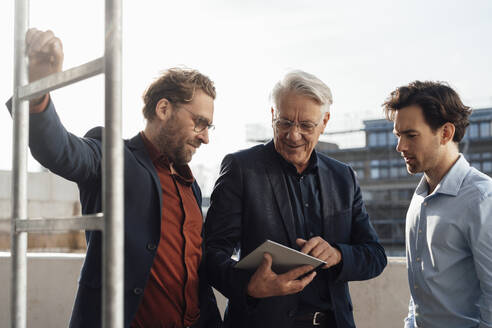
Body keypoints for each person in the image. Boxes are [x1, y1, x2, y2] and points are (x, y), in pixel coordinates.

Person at [7, 28, 222, 328]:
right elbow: (59, 150)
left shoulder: (192, 188)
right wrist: (38, 88)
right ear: (163, 108)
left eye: (210, 127)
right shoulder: (114, 157)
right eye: (199, 123)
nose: (205, 138)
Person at [204, 70, 387, 328]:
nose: (293, 135)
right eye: (285, 122)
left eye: (306, 126)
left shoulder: (343, 176)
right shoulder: (241, 168)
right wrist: (249, 286)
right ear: (272, 116)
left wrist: (338, 254)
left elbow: (375, 256)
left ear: (324, 122)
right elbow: (211, 253)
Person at [383, 81, 492, 328]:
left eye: (411, 135)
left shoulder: (482, 199)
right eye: (398, 136)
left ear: (446, 133)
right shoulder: (419, 197)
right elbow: (421, 293)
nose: (400, 147)